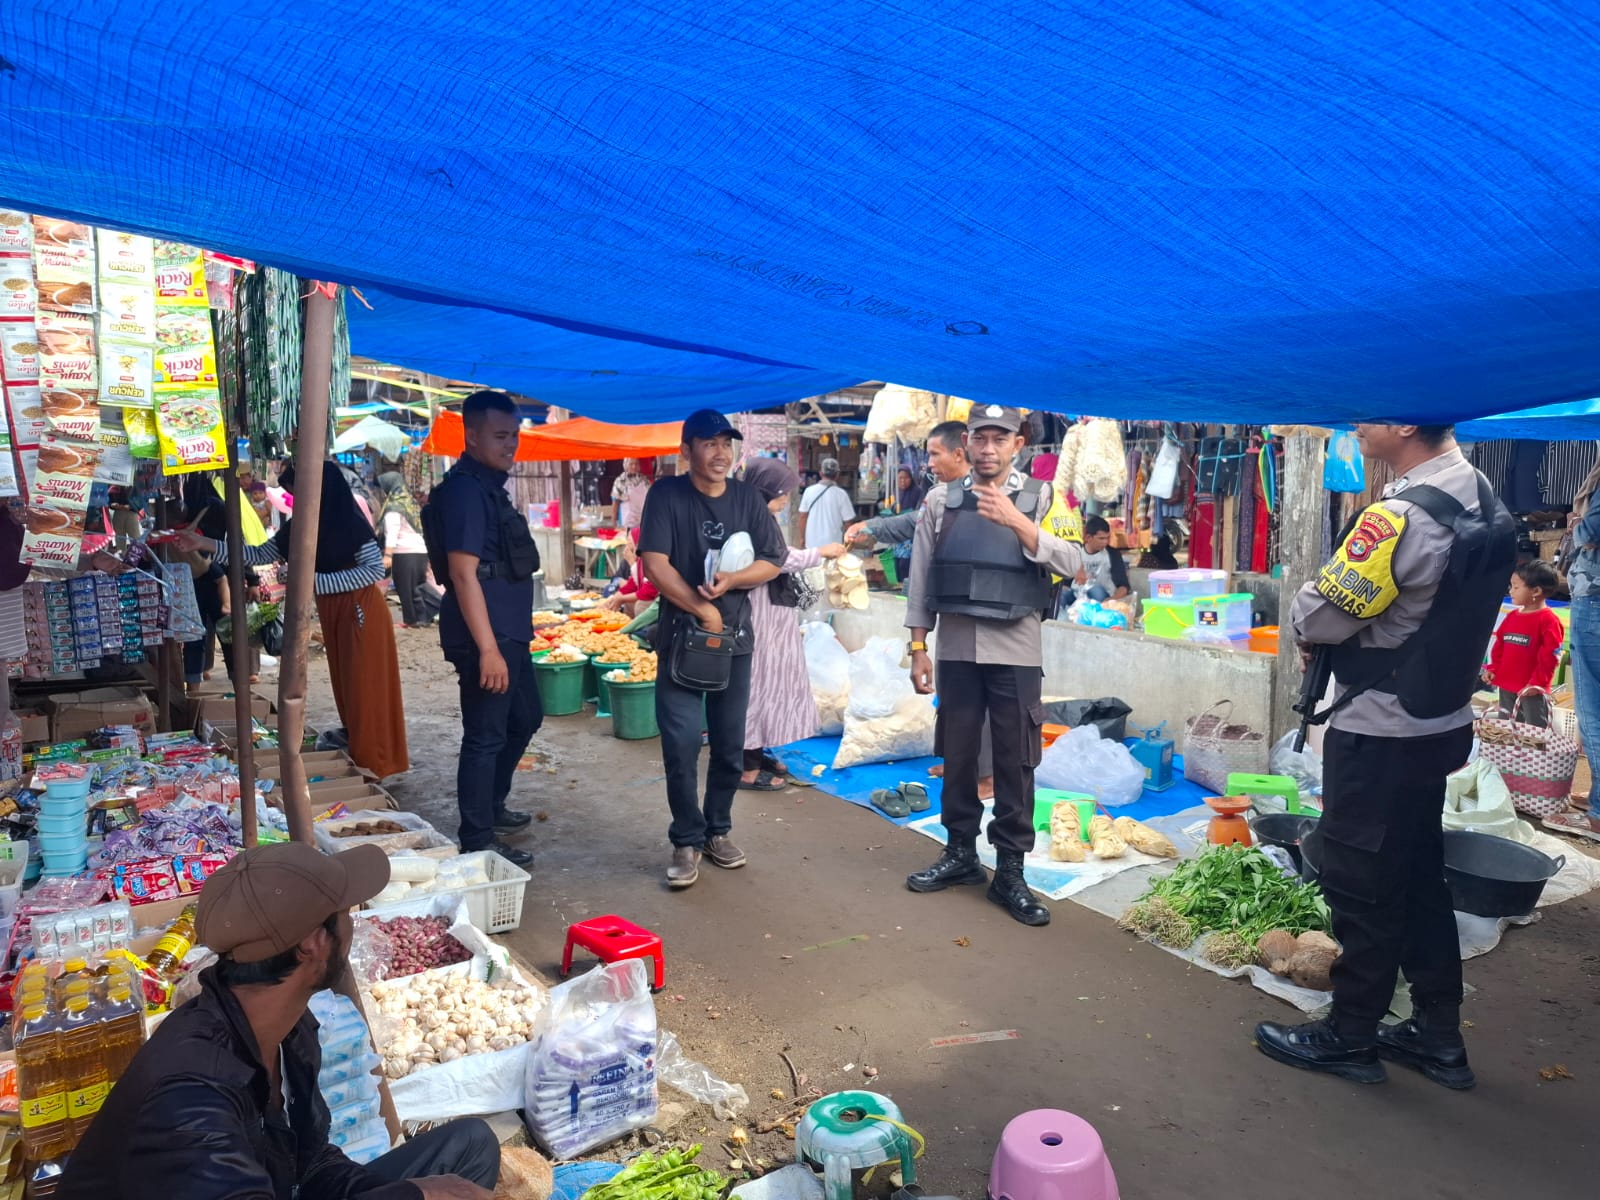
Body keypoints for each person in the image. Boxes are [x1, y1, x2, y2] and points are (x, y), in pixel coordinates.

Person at [1258, 422, 1513, 1089]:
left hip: (1381, 728)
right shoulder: (1483, 495)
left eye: (1369, 413)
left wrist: (1316, 615)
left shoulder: (1400, 516)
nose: (1358, 424)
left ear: (1404, 423)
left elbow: (1318, 616)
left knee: (1360, 882)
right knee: (1420, 874)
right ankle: (1436, 1034)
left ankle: (1350, 1034)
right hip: (1441, 721)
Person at [57, 842, 499, 1200]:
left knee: (470, 1146)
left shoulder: (289, 1028)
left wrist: (416, 1190)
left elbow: (306, 1166)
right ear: (312, 945)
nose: (354, 925)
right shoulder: (190, 1100)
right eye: (345, 915)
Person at [903, 405, 1082, 927]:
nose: (988, 448)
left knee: (1015, 760)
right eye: (980, 438)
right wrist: (918, 648)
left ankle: (1009, 872)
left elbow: (1074, 563)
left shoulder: (1046, 498)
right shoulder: (939, 501)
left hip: (1016, 650)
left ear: (1017, 444)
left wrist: (1019, 522)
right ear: (967, 444)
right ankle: (960, 853)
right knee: (957, 754)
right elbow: (919, 581)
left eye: (998, 439)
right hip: (957, 648)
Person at [179, 462, 410, 780]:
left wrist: (310, 581)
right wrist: (204, 545)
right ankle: (363, 754)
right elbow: (259, 554)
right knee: (347, 689)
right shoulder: (301, 524)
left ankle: (376, 762)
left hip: (360, 612)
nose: (295, 499)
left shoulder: (349, 524)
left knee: (366, 689)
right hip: (334, 612)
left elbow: (372, 571)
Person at [639, 409, 784, 889]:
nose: (721, 453)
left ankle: (716, 830)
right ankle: (685, 837)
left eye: (727, 443)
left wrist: (734, 581)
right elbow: (655, 564)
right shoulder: (666, 494)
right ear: (687, 451)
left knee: (728, 745)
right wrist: (702, 610)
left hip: (735, 641)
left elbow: (772, 559)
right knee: (680, 743)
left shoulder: (746, 498)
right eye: (709, 443)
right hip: (682, 637)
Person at [846, 421, 996, 802]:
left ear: (959, 453)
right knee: (950, 692)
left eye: (934, 454)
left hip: (981, 612)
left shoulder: (983, 495)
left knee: (980, 697)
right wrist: (873, 528)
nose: (929, 462)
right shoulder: (939, 495)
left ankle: (987, 775)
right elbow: (911, 525)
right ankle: (956, 759)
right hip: (947, 610)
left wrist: (875, 527)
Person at [426, 390, 541, 869]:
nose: (510, 444)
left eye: (514, 435)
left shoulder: (489, 486)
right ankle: (477, 836)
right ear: (471, 438)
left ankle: (492, 805)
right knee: (486, 734)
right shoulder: (465, 492)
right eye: (500, 436)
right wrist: (488, 649)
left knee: (525, 716)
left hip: (509, 629)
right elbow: (462, 574)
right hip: (486, 634)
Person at [738, 457, 845, 790]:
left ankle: (758, 751)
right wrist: (820, 552)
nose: (785, 499)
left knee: (771, 683)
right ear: (765, 490)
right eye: (781, 493)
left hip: (773, 613)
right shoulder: (752, 521)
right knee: (757, 685)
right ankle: (747, 768)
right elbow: (779, 560)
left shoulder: (759, 517)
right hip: (759, 613)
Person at [1483, 560, 1564, 728]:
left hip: (1531, 689)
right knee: (1507, 726)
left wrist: (1537, 683)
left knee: (1535, 729)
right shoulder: (1512, 616)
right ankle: (1509, 754)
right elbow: (1500, 646)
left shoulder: (1548, 620)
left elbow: (1550, 656)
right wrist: (1493, 669)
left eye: (1516, 587)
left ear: (1536, 591)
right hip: (1506, 683)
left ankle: (1537, 755)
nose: (1510, 591)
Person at [378, 472, 434, 629]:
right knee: (418, 586)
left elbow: (393, 531)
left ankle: (412, 620)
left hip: (404, 552)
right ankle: (423, 617)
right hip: (420, 550)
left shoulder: (394, 506)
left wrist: (388, 554)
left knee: (407, 589)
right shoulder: (410, 503)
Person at [798, 457, 856, 551]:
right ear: (837, 474)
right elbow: (848, 522)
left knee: (813, 566)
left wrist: (802, 538)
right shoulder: (841, 494)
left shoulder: (809, 491)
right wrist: (848, 543)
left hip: (812, 545)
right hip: (833, 545)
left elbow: (803, 517)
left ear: (820, 473)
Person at [1072, 515, 1130, 601]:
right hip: (1077, 594)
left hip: (1102, 597)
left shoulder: (1112, 554)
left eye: (1107, 538)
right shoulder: (1076, 553)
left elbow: (1124, 586)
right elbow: (1066, 582)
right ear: (1088, 537)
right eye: (1101, 538)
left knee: (1095, 590)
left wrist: (1112, 599)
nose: (1105, 542)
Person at [888, 467, 925, 586]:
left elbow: (920, 512)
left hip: (910, 533)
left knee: (906, 561)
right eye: (900, 478)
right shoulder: (895, 492)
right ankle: (899, 583)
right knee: (897, 560)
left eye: (906, 478)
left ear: (911, 478)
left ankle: (906, 584)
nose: (903, 481)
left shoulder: (917, 492)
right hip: (897, 532)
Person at [611, 457, 652, 530]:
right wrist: (614, 523)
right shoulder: (620, 481)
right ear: (625, 465)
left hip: (643, 522)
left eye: (636, 464)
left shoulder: (644, 480)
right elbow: (615, 504)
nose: (634, 466)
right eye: (631, 464)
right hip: (626, 523)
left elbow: (651, 500)